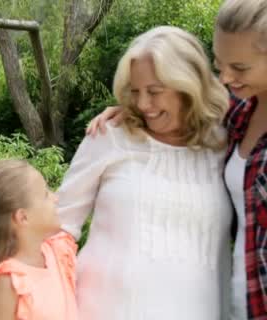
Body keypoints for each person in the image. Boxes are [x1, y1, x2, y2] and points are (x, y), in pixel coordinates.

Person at [86, 2, 267, 318]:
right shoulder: (239, 113)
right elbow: (189, 108)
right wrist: (131, 112)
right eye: (219, 62)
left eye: (239, 68)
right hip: (240, 303)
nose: (224, 77)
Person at [57, 26, 232, 320]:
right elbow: (58, 227)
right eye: (136, 92)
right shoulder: (110, 134)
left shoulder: (224, 144)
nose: (142, 105)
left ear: (188, 86)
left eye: (154, 92)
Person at [0, 159, 78, 320]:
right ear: (23, 217)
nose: (56, 198)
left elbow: (86, 183)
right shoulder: (7, 283)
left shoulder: (57, 253)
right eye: (46, 194)